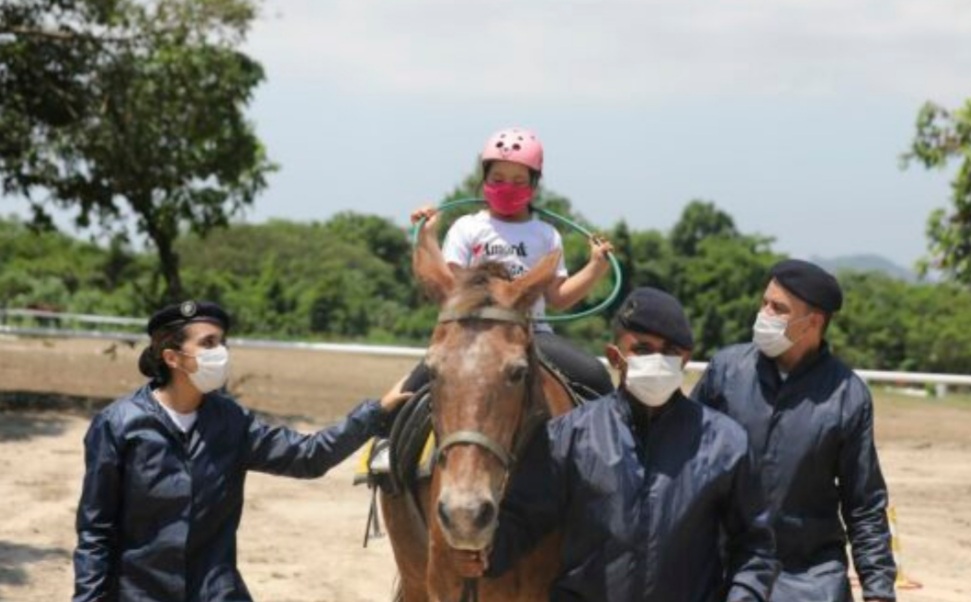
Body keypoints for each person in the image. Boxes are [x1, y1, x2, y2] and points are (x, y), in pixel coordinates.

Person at [72, 300, 411, 602]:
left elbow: (308, 457)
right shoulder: (119, 424)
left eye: (222, 342)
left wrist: (376, 413)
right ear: (172, 357)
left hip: (214, 590)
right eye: (208, 343)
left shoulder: (232, 421)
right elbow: (96, 530)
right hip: (140, 591)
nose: (220, 352)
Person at [455, 287, 779, 602]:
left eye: (669, 352)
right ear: (615, 356)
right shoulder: (567, 437)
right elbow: (522, 519)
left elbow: (755, 546)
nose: (657, 360)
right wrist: (484, 551)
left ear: (685, 359)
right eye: (643, 349)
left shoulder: (725, 443)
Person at [691, 259, 896, 602]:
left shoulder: (848, 397)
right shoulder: (726, 372)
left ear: (812, 322)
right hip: (723, 568)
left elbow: (864, 504)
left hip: (808, 576)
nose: (764, 314)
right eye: (764, 303)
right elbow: (682, 459)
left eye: (778, 308)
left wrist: (878, 591)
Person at [409, 127, 615, 398]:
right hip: (472, 330)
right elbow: (452, 288)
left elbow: (557, 298)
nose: (508, 187)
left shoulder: (546, 234)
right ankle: (381, 434)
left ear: (534, 185)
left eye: (519, 181)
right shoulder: (467, 228)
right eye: (498, 178)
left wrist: (595, 267)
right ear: (484, 179)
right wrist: (428, 237)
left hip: (535, 333)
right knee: (412, 388)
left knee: (596, 375)